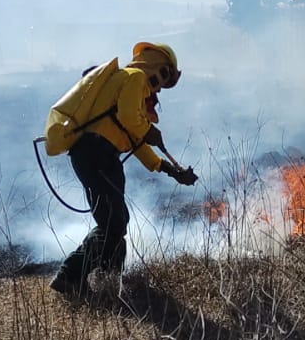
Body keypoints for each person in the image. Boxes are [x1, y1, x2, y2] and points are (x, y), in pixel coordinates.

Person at [50, 41, 197, 299]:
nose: (160, 87)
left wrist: (168, 169)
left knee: (116, 219)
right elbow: (131, 119)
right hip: (98, 153)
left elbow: (136, 140)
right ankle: (70, 275)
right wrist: (150, 130)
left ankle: (110, 280)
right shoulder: (135, 77)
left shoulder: (125, 82)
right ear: (156, 65)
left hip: (95, 155)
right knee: (114, 223)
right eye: (163, 77)